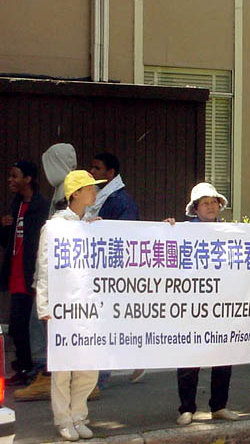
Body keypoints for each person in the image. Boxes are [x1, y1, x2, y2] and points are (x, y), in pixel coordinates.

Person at [164, 182, 250, 426]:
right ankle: (187, 408)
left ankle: (219, 406)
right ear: (195, 208)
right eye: (205, 203)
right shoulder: (182, 231)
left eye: (214, 202)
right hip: (192, 306)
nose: (211, 207)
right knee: (189, 357)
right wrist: (166, 230)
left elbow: (244, 263)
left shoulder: (231, 234)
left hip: (222, 306)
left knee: (224, 355)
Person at [35, 170, 107, 441]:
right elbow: (44, 267)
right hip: (62, 308)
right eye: (90, 188)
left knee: (88, 366)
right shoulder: (54, 227)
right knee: (63, 368)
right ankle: (63, 419)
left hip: (89, 307)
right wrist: (44, 305)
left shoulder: (89, 225)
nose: (94, 192)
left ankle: (79, 415)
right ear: (75, 193)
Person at [15, 144, 77, 401]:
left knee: (41, 323)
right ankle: (52, 374)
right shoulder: (60, 189)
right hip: (54, 272)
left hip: (59, 274)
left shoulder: (67, 189)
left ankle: (46, 374)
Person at [86, 152, 143, 386]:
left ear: (110, 173)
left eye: (97, 168)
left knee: (107, 322)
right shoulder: (100, 196)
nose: (92, 172)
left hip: (111, 272)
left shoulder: (121, 201)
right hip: (98, 269)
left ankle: (100, 375)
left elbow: (126, 237)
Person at [0, 161, 50, 386]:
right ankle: (24, 367)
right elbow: (8, 240)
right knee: (17, 325)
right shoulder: (17, 204)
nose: (10, 180)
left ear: (28, 179)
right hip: (16, 272)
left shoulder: (40, 206)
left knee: (29, 325)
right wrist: (4, 226)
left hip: (32, 274)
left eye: (15, 176)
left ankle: (34, 369)